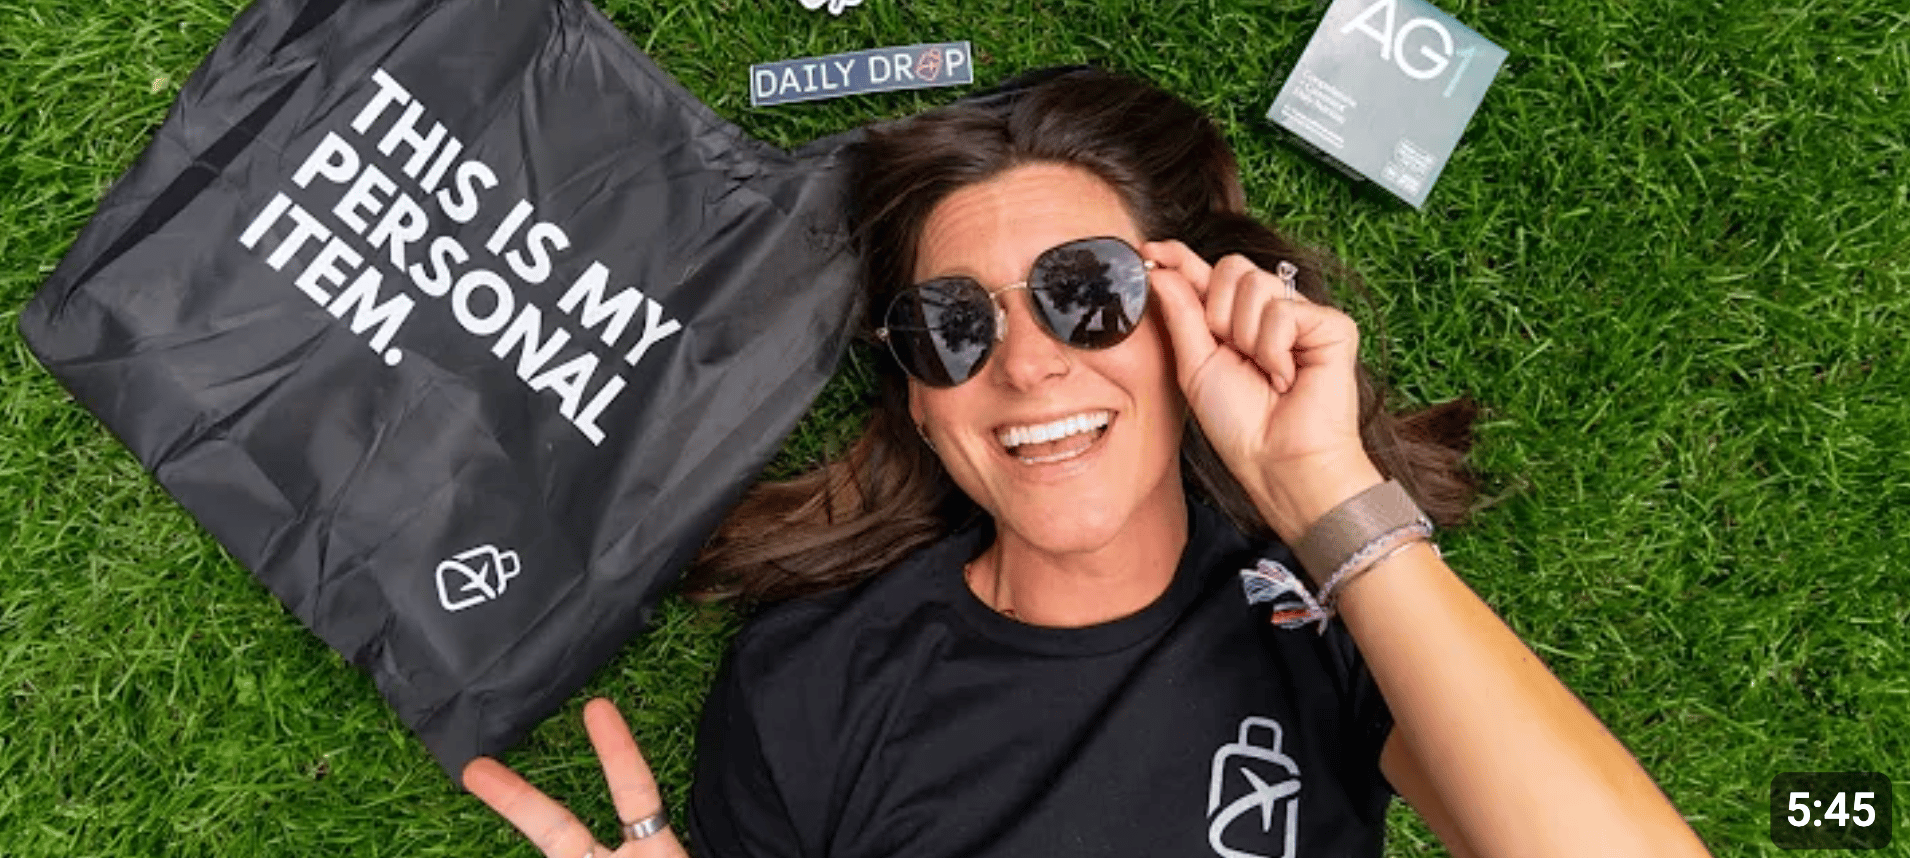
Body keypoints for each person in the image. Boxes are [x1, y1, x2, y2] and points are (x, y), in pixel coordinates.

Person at [464, 69, 1713, 858]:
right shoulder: (809, 683)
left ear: (1191, 322)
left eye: (1086, 294)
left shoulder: (1334, 623)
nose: (1025, 365)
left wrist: (1322, 487)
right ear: (920, 400)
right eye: (953, 324)